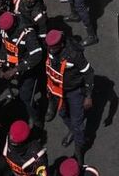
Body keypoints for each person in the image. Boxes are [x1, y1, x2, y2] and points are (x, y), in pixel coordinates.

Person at [44, 30, 94, 162]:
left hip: (74, 91)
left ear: (61, 44)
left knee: (78, 123)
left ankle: (79, 150)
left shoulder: (74, 54)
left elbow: (88, 72)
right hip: (57, 90)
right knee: (62, 114)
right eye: (49, 47)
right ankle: (72, 130)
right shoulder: (50, 49)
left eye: (54, 47)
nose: (51, 49)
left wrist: (88, 96)